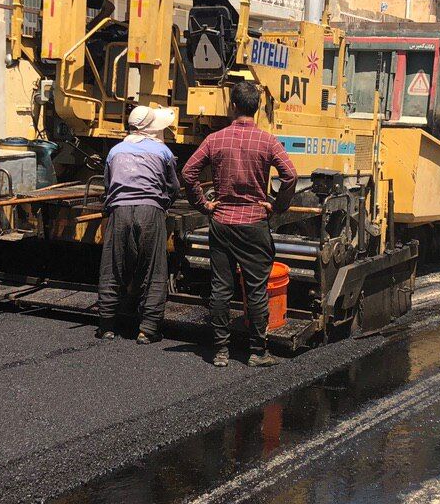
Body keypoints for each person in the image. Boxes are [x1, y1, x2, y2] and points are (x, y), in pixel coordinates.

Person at [182, 80, 297, 368]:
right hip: (254, 223)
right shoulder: (267, 141)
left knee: (221, 288)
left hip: (221, 222)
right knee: (256, 289)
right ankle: (258, 352)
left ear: (233, 106)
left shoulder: (215, 140)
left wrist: (203, 204)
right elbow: (290, 175)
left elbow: (187, 172)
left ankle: (220, 351)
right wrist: (277, 206)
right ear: (257, 109)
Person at [95, 105, 179, 343]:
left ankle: (106, 326)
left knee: (112, 267)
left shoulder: (115, 151)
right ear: (151, 127)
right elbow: (173, 187)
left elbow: (108, 185)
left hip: (119, 212)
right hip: (150, 211)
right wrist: (161, 205)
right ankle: (148, 329)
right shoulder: (163, 152)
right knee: (154, 270)